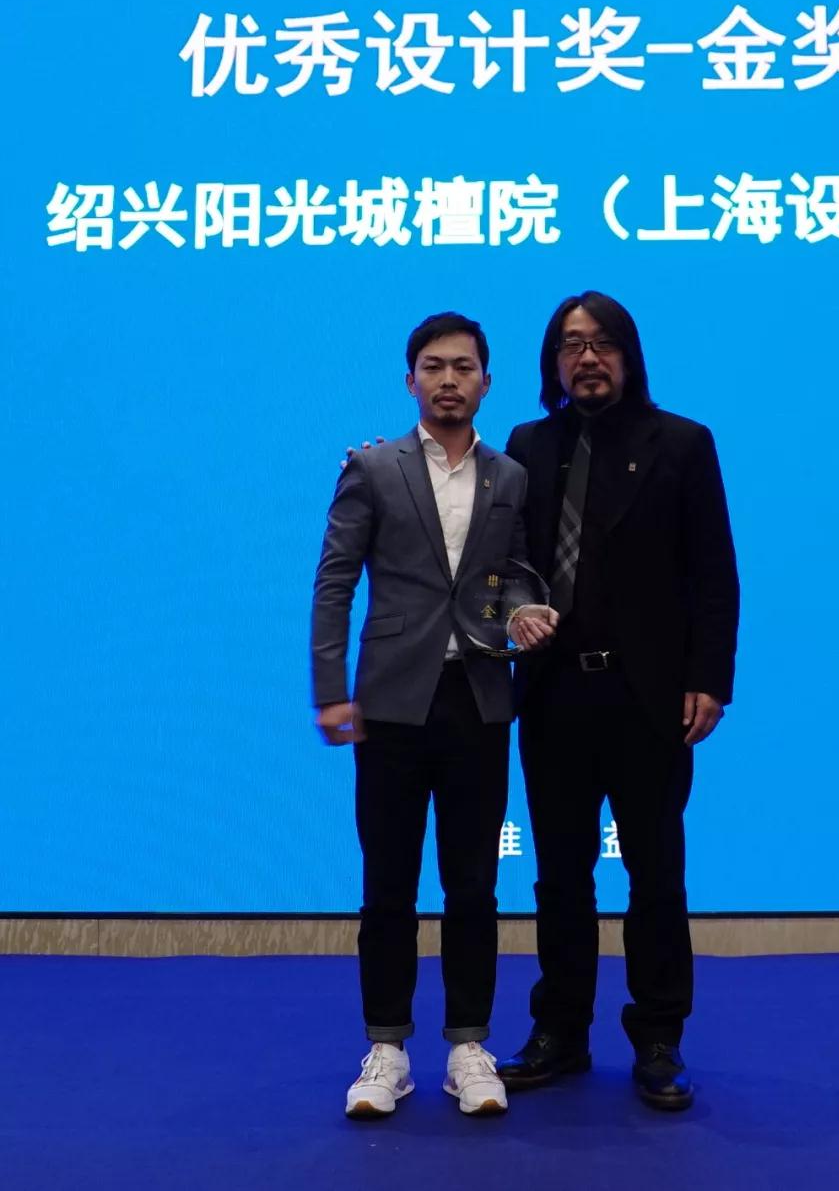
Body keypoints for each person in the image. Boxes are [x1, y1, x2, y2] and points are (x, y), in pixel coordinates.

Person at [495, 290, 739, 1111]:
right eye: (571, 345)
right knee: (560, 878)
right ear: (552, 363)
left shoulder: (683, 443)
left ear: (629, 356)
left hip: (649, 697)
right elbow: (507, 562)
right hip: (555, 693)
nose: (587, 357)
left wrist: (710, 679)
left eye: (602, 343)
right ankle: (560, 1031)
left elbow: (714, 575)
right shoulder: (527, 446)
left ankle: (659, 1038)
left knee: (656, 874)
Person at [310, 311, 554, 1119]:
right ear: (410, 379)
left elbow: (512, 575)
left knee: (473, 886)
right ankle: (386, 1048)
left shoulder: (509, 476)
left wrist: (523, 611)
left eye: (464, 367)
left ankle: (468, 1046)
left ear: (487, 381)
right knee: (387, 885)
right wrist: (331, 688)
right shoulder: (372, 467)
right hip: (389, 702)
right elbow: (336, 581)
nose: (450, 380)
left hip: (478, 700)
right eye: (434, 366)